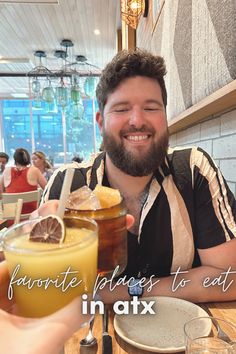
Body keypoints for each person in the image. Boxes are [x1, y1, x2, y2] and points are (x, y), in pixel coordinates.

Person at [42, 49, 236, 303]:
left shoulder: (192, 169)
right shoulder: (67, 185)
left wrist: (127, 291)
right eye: (122, 109)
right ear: (100, 122)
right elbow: (44, 288)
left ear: (165, 118)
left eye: (151, 107)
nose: (137, 120)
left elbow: (227, 278)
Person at [0, 148, 47, 218]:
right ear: (28, 158)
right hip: (30, 220)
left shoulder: (6, 171)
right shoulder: (34, 170)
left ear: (15, 159)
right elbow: (48, 189)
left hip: (9, 221)